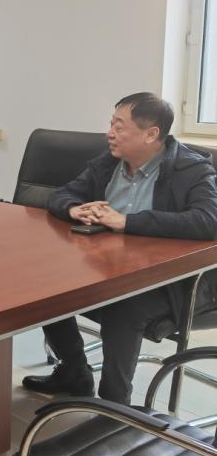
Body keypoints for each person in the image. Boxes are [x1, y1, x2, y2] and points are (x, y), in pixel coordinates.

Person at [22, 93, 217, 403]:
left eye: (119, 126)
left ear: (151, 134)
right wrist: (74, 209)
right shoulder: (109, 163)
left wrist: (128, 222)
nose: (109, 133)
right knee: (44, 284)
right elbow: (61, 194)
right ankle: (74, 371)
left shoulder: (191, 169)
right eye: (111, 124)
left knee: (123, 305)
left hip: (175, 281)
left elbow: (208, 221)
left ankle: (114, 405)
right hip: (113, 266)